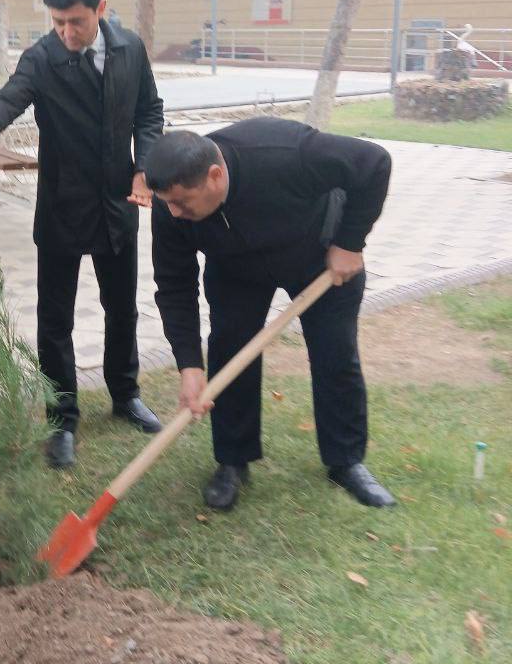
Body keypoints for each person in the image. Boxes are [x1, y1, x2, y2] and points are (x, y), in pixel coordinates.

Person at [0, 0, 165, 470]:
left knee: (122, 308)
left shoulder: (130, 49)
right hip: (63, 205)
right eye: (58, 22)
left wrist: (144, 169)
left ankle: (125, 393)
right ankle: (61, 417)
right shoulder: (42, 59)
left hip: (119, 205)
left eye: (77, 22)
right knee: (55, 319)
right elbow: (8, 100)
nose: (67, 33)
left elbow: (149, 111)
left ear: (101, 10)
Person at [146, 120, 395, 510]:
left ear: (214, 176)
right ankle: (233, 460)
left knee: (335, 353)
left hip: (320, 255)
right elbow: (174, 284)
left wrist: (349, 243)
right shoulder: (170, 206)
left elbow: (374, 162)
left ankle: (346, 462)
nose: (174, 213)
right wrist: (189, 365)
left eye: (183, 202)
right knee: (229, 348)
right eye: (168, 203)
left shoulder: (285, 154)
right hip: (236, 267)